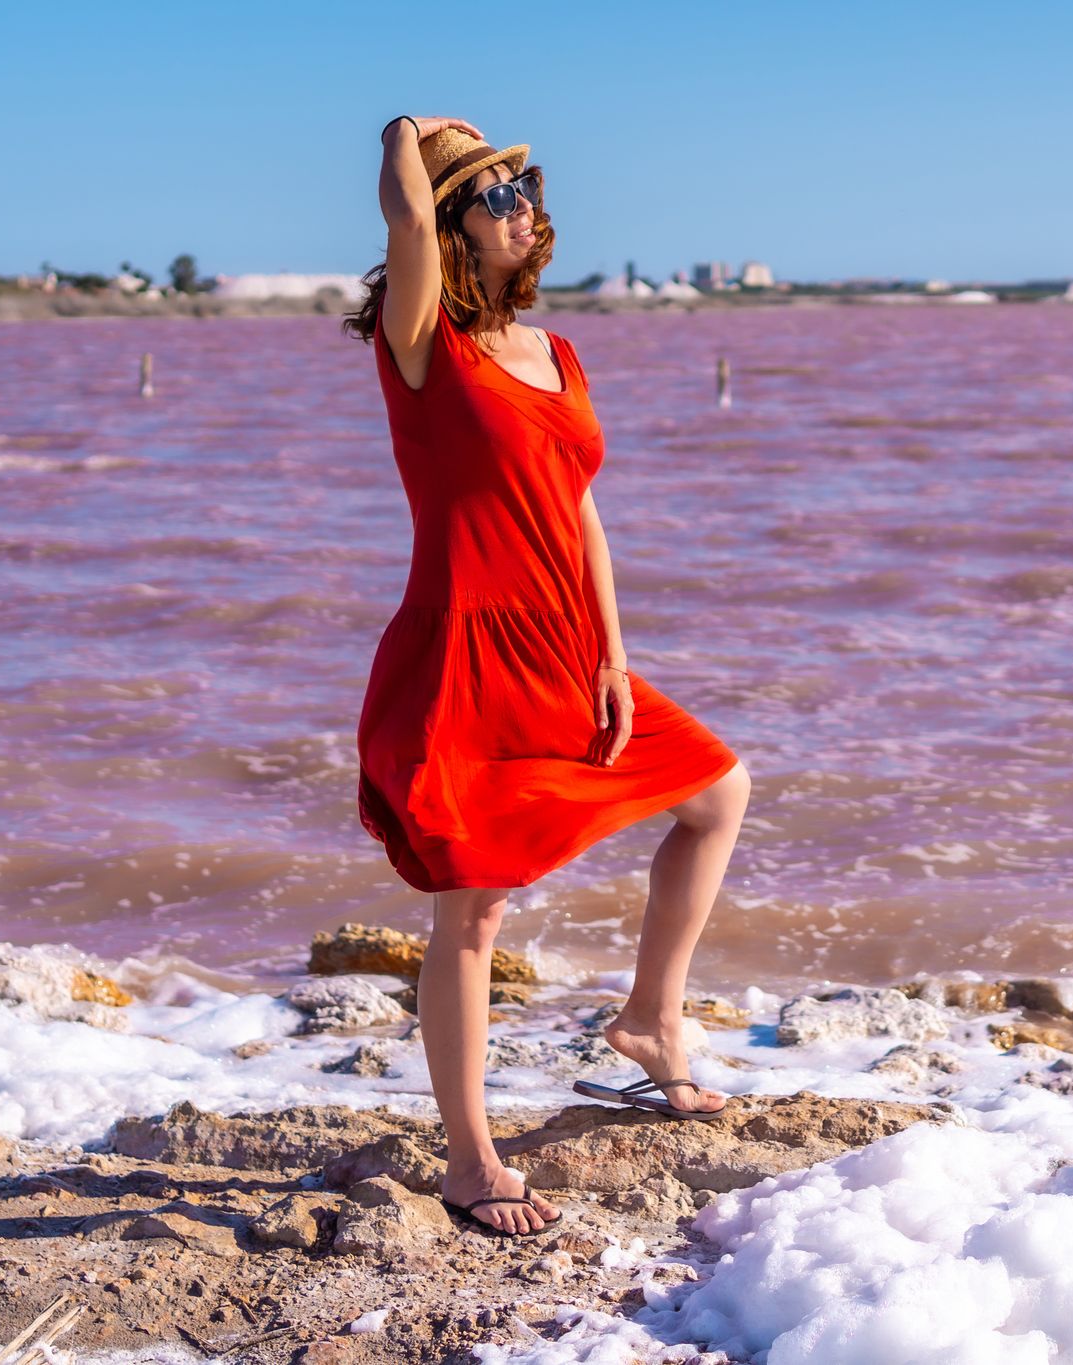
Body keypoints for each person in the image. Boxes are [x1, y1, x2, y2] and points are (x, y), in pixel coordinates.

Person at [342, 114, 753, 1237]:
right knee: (474, 912)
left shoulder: (556, 352)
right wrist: (405, 133)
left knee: (717, 792)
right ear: (453, 224)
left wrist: (612, 653)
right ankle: (469, 1160)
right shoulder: (422, 342)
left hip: (565, 647)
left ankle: (650, 1022)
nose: (522, 205)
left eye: (526, 186)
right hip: (463, 655)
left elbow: (581, 512)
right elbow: (403, 211)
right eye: (495, 193)